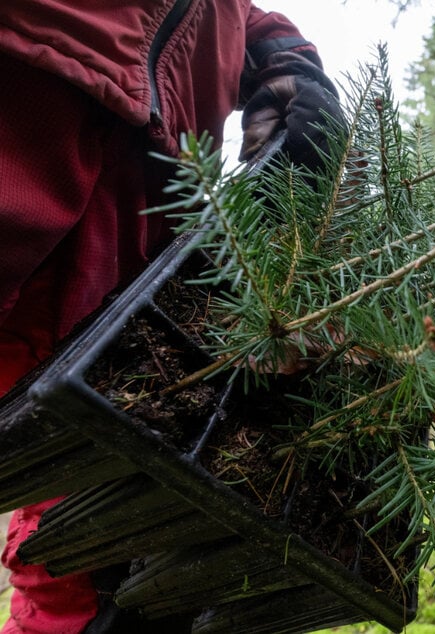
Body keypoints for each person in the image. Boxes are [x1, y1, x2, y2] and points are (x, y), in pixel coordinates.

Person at [0, 3, 345, 631]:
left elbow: (239, 14)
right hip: (27, 110)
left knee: (83, 511)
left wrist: (289, 61)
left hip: (142, 224)